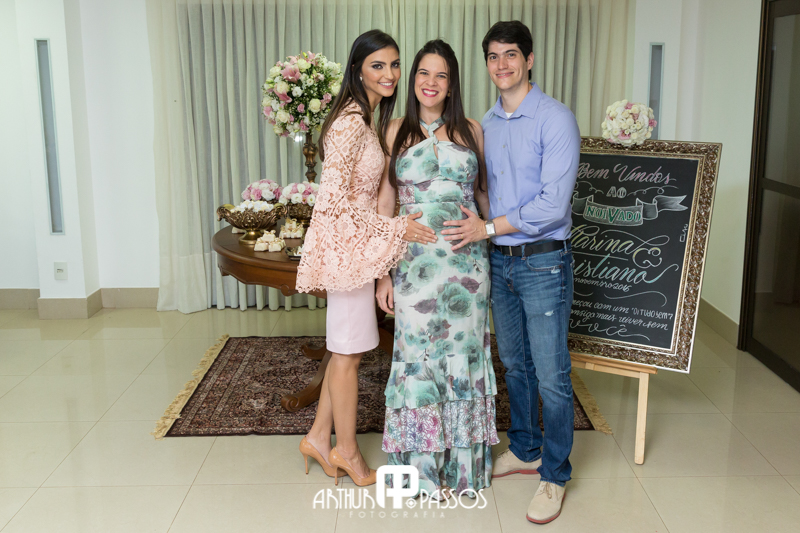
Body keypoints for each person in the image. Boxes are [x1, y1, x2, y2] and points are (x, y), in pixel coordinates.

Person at [441, 21, 580, 523]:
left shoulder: (555, 119)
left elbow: (552, 205)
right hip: (499, 261)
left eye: (511, 55)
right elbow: (485, 193)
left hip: (543, 260)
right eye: (493, 56)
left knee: (552, 375)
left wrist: (487, 227)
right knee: (515, 365)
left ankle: (555, 474)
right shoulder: (486, 123)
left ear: (530, 59)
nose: (502, 65)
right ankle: (525, 448)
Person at [296, 29, 437, 487]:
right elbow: (333, 203)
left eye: (394, 64)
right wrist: (396, 229)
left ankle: (318, 438)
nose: (390, 74)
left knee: (344, 351)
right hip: (347, 255)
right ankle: (348, 453)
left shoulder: (366, 117)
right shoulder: (350, 122)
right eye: (378, 65)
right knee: (347, 357)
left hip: (358, 254)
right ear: (358, 69)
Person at [375, 39, 498, 499]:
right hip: (413, 267)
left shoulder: (471, 129)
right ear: (413, 81)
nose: (431, 82)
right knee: (417, 359)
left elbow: (484, 196)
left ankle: (462, 472)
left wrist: (492, 234)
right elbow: (385, 203)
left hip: (467, 266)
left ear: (452, 84)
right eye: (423, 73)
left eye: (441, 75)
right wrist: (382, 274)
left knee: (464, 358)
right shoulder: (393, 130)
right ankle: (420, 472)